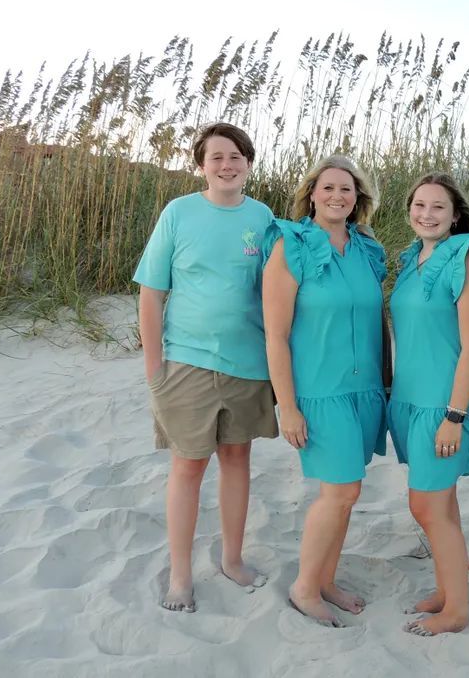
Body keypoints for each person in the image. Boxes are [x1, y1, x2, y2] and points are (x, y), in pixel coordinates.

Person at [134, 122, 278, 613]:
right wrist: (156, 368)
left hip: (246, 363)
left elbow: (274, 292)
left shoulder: (262, 218)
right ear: (201, 165)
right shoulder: (179, 213)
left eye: (236, 155)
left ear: (249, 163)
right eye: (216, 157)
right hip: (187, 362)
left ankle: (232, 559)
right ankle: (180, 576)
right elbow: (152, 294)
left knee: (237, 459)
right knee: (188, 464)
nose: (227, 164)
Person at [262, 155, 389, 628]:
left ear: (359, 199)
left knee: (349, 493)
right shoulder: (291, 245)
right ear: (311, 193)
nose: (338, 196)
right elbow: (275, 335)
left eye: (348, 189)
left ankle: (326, 579)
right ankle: (303, 587)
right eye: (329, 188)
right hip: (319, 391)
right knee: (337, 493)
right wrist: (287, 407)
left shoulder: (367, 249)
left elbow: (377, 320)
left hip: (364, 390)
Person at [387, 173, 469, 637]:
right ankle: (450, 591)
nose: (426, 214)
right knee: (440, 504)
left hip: (444, 404)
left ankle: (456, 612)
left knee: (427, 506)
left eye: (438, 207)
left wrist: (455, 416)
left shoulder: (466, 258)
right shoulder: (411, 259)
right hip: (410, 400)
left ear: (455, 215)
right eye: (419, 205)